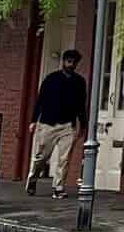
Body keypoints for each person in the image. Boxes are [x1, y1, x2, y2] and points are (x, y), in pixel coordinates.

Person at [26, 50, 87, 199]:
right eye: (68, 61)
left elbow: (81, 105)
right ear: (63, 62)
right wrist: (34, 121)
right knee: (42, 157)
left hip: (68, 125)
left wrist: (83, 125)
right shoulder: (51, 79)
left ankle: (58, 187)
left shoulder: (79, 82)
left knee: (64, 158)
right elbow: (40, 100)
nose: (71, 65)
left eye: (73, 62)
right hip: (48, 123)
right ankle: (32, 180)